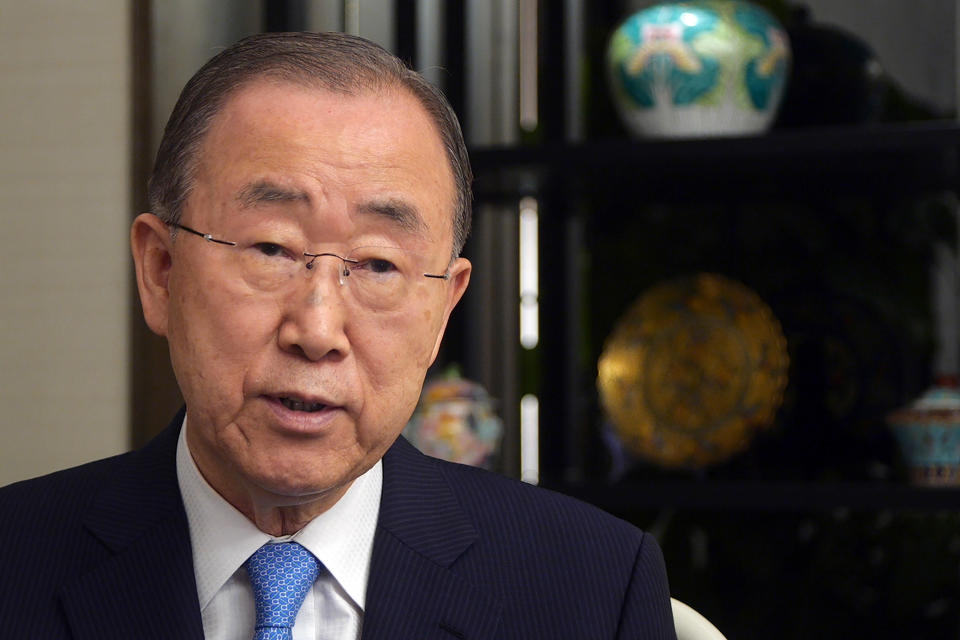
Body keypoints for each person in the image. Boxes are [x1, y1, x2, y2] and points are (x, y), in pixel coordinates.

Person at [0, 31, 676, 639]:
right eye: (270, 249)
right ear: (161, 272)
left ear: (443, 308)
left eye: (380, 264)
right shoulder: (15, 564)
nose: (318, 331)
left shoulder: (591, 589)